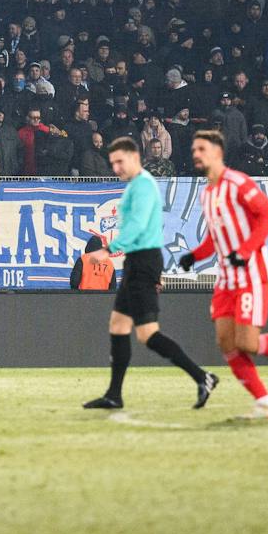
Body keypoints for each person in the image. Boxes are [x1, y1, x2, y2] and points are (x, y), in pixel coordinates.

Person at [82, 136, 216, 411]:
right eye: (113, 163)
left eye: (120, 161)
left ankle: (203, 376)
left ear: (134, 157)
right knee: (118, 326)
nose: (116, 168)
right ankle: (114, 395)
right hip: (137, 262)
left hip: (144, 263)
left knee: (148, 335)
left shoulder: (143, 186)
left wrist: (109, 249)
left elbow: (138, 226)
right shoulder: (135, 187)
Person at [181, 129, 268, 420]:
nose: (196, 154)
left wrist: (246, 251)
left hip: (252, 273)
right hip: (226, 278)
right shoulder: (207, 193)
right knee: (226, 342)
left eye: (201, 148)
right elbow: (215, 238)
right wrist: (195, 256)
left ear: (217, 152)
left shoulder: (238, 182)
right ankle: (265, 402)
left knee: (248, 344)